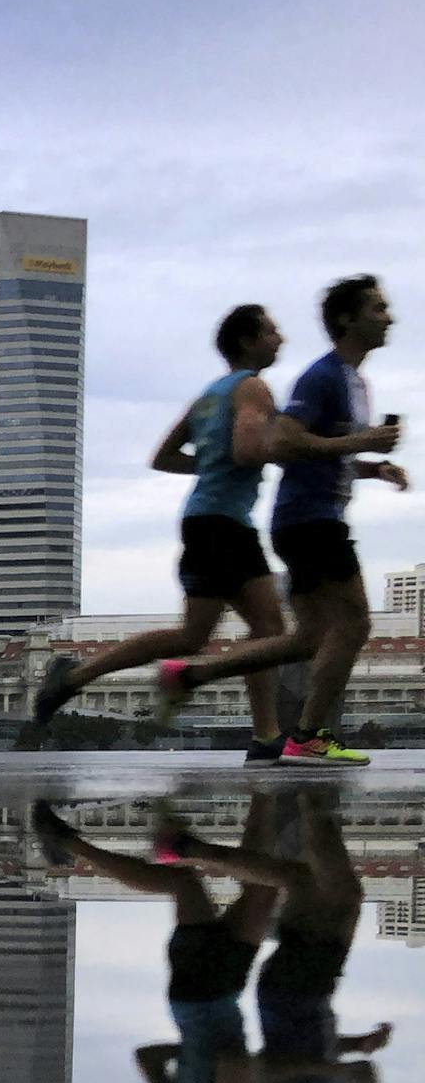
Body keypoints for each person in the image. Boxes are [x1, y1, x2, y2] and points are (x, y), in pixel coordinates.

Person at [154, 276, 406, 765]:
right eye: (377, 308)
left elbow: (321, 454)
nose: (389, 317)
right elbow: (285, 444)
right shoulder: (323, 377)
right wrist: (365, 443)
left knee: (305, 639)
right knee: (354, 626)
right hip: (310, 522)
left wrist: (372, 468)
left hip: (310, 519)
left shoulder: (355, 384)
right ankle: (307, 736)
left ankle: (189, 676)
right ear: (347, 320)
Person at [32, 306, 293, 764]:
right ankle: (267, 735)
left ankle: (72, 678)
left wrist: (210, 465)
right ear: (248, 341)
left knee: (193, 636)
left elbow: (163, 457)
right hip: (226, 522)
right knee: (269, 629)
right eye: (271, 331)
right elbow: (250, 449)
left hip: (201, 519)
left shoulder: (209, 396)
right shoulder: (253, 388)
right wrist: (294, 451)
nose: (280, 338)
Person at [32, 796, 290, 1083]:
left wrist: (277, 1066)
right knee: (258, 892)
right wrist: (191, 1047)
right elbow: (147, 1057)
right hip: (197, 998)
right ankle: (250, 804)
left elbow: (233, 1064)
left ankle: (75, 846)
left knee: (192, 883)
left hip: (213, 991)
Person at [252, 790, 390, 1083]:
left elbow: (269, 1069)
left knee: (343, 897)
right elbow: (315, 1054)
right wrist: (356, 1045)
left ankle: (310, 804)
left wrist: (343, 1072)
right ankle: (305, 811)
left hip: (294, 995)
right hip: (302, 999)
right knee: (314, 889)